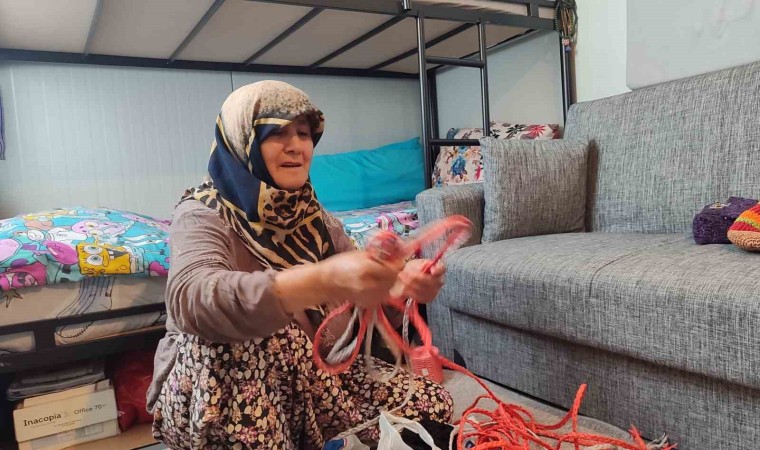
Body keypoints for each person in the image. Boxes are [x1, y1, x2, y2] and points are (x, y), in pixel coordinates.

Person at [147, 80, 453, 449]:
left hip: (315, 373)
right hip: (219, 391)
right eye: (277, 133)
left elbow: (361, 291)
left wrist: (400, 285)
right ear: (242, 141)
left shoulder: (312, 214)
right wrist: (319, 280)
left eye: (304, 134)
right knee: (265, 332)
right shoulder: (202, 213)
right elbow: (192, 299)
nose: (296, 146)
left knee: (433, 406)